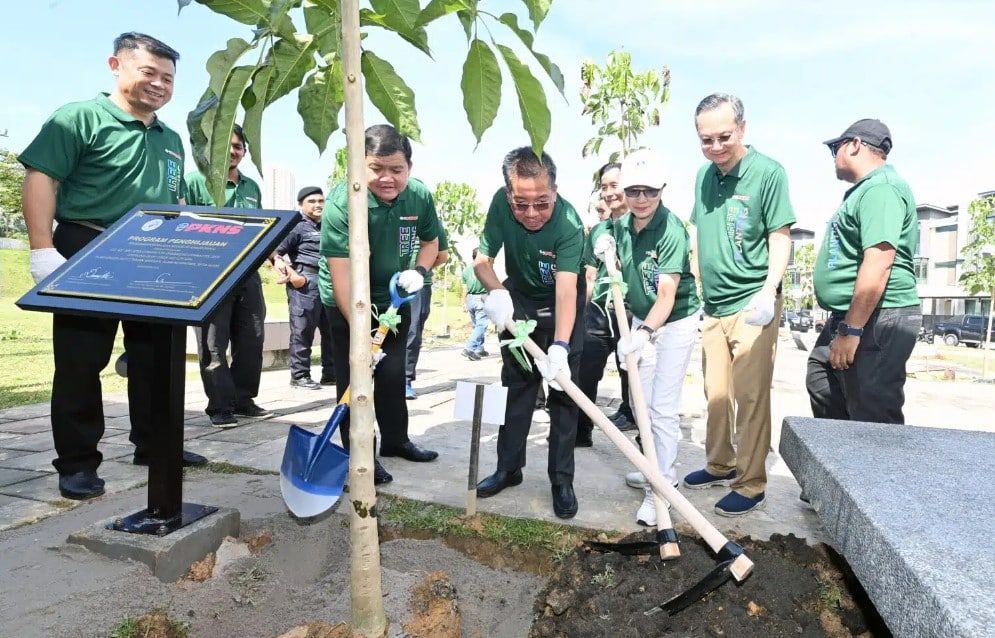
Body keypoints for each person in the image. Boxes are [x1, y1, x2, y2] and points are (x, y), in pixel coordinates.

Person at [18, 32, 207, 500]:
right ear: (115, 66)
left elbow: (172, 198)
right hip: (90, 244)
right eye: (149, 72)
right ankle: (78, 463)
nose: (159, 84)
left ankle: (155, 445)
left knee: (155, 359)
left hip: (152, 255)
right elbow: (42, 178)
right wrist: (43, 249)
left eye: (167, 78)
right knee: (82, 361)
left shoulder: (170, 138)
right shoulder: (78, 118)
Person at [683, 94, 795, 516]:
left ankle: (750, 483)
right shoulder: (703, 177)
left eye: (724, 137)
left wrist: (769, 290)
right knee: (716, 392)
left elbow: (780, 235)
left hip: (753, 302)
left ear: (742, 129)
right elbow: (699, 233)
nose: (715, 147)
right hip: (714, 305)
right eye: (706, 139)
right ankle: (720, 463)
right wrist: (697, 286)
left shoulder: (768, 173)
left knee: (749, 396)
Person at [319, 124, 441, 485]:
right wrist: (361, 333)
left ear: (409, 168)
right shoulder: (342, 203)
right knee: (355, 380)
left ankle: (397, 441)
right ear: (359, 166)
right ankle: (358, 454)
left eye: (396, 169)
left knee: (391, 376)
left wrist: (419, 271)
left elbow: (431, 243)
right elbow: (340, 275)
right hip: (346, 303)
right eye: (376, 168)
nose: (387, 178)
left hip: (395, 297)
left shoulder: (418, 195)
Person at [474, 146, 586, 519]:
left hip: (562, 305)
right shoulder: (500, 204)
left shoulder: (569, 224)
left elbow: (567, 290)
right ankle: (508, 468)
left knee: (564, 397)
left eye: (542, 202)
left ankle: (561, 479)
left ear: (554, 191)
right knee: (515, 388)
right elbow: (482, 261)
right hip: (517, 300)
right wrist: (498, 292)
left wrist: (560, 346)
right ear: (509, 194)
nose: (532, 213)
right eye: (521, 205)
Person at [597, 150, 701, 526]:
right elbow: (600, 241)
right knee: (641, 401)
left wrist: (643, 333)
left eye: (650, 192)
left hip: (674, 323)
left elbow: (667, 297)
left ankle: (663, 487)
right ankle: (650, 466)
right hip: (642, 319)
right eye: (634, 191)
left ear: (662, 190)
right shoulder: (621, 225)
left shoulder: (672, 230)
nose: (641, 200)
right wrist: (603, 247)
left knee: (662, 408)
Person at [808, 119, 921, 423]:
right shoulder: (866, 191)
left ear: (856, 144)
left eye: (836, 148)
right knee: (822, 379)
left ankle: (879, 470)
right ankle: (839, 468)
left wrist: (853, 329)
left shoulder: (881, 189)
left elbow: (879, 262)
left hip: (880, 317)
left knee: (873, 418)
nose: (834, 156)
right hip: (854, 315)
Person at [185, 124, 271, 427]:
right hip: (210, 275)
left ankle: (243, 398)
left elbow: (260, 228)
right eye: (227, 145)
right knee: (213, 344)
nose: (232, 151)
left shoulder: (251, 187)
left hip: (247, 274)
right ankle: (219, 405)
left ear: (244, 152)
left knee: (252, 339)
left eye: (238, 146)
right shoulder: (194, 183)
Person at [575, 162, 636, 449]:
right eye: (604, 187)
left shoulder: (642, 226)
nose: (610, 192)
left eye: (615, 185)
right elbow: (589, 275)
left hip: (634, 312)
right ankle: (581, 429)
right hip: (600, 312)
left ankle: (638, 426)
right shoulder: (599, 230)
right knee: (587, 369)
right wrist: (581, 315)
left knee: (634, 374)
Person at [274, 186, 337, 390]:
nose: (318, 205)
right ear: (301, 205)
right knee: (303, 330)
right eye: (312, 201)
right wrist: (295, 277)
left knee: (332, 330)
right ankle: (300, 376)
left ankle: (331, 374)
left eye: (321, 201)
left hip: (329, 281)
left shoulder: (329, 225)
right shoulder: (297, 226)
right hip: (306, 281)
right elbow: (275, 253)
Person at [405, 227, 449, 399]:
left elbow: (442, 256)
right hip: (389, 281)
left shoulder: (432, 221)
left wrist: (420, 271)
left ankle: (405, 379)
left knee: (412, 331)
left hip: (417, 286)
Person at [461, 248, 490, 360]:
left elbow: (464, 289)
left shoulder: (466, 270)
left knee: (476, 325)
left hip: (470, 299)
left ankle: (479, 349)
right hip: (481, 298)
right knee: (481, 325)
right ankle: (470, 349)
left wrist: (464, 303)